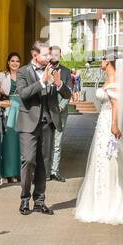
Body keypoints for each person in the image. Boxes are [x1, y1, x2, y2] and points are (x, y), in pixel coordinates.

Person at [73, 55, 123, 226]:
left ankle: (112, 200)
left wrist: (114, 125)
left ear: (110, 62)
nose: (101, 61)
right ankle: (100, 198)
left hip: (110, 122)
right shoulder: (108, 79)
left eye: (104, 59)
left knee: (110, 157)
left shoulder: (116, 81)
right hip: (103, 122)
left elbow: (116, 105)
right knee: (101, 159)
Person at [16, 41, 72, 216]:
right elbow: (23, 94)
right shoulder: (23, 72)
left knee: (43, 163)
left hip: (48, 123)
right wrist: (42, 82)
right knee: (29, 160)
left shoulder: (55, 71)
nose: (50, 58)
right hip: (28, 123)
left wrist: (58, 84)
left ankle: (39, 201)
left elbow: (67, 94)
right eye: (46, 54)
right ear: (35, 55)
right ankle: (25, 199)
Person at [48, 45, 74, 182]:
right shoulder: (44, 70)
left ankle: (54, 171)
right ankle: (45, 171)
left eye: (57, 55)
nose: (54, 57)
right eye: (52, 54)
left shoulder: (66, 71)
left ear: (60, 56)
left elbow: (68, 91)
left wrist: (61, 106)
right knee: (45, 141)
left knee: (57, 143)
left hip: (60, 111)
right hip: (46, 111)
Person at [0, 52, 24, 184]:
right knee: (9, 141)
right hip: (9, 107)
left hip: (22, 107)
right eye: (12, 61)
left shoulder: (23, 75)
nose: (15, 63)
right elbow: (2, 91)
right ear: (8, 62)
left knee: (21, 141)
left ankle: (19, 172)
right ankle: (8, 173)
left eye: (17, 61)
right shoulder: (3, 75)